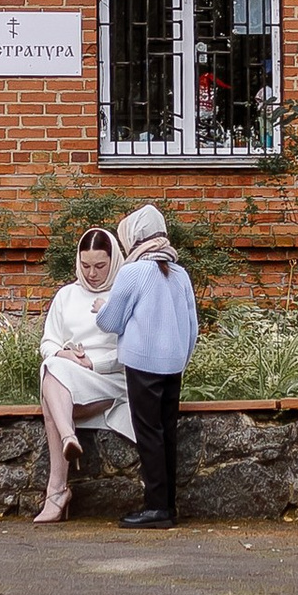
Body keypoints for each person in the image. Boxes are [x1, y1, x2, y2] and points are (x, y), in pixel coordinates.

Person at [95, 201, 199, 530]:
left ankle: (155, 508)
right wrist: (180, 358)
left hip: (142, 364)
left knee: (149, 433)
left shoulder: (133, 272)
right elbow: (193, 327)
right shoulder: (180, 274)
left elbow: (110, 321)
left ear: (134, 237)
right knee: (166, 433)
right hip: (173, 365)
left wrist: (101, 306)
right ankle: (167, 506)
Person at [35, 225, 133, 523]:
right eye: (86, 265)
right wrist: (64, 354)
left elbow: (131, 349)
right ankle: (68, 439)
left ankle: (57, 491)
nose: (92, 273)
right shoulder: (66, 295)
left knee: (50, 395)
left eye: (100, 266)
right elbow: (48, 343)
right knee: (52, 367)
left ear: (113, 261)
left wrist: (93, 364)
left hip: (110, 379)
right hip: (69, 376)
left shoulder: (124, 295)